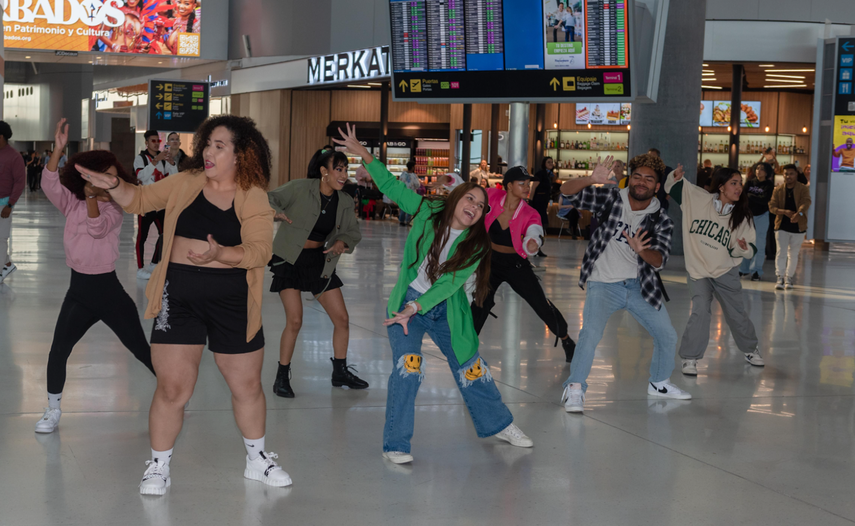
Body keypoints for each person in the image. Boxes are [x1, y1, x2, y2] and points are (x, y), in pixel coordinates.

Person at [80, 115, 291, 495]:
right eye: (208, 144)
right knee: (173, 387)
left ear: (241, 155)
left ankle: (257, 459)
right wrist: (115, 185)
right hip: (179, 297)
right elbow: (141, 200)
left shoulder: (253, 195)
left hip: (233, 301)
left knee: (246, 386)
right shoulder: (187, 182)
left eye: (219, 146)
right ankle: (159, 465)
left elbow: (261, 251)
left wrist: (221, 253)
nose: (208, 152)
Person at [335, 123, 533, 463]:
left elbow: (448, 284)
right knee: (408, 367)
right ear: (457, 198)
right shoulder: (428, 211)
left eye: (481, 205)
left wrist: (418, 306)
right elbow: (391, 188)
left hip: (444, 308)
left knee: (472, 367)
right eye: (469, 197)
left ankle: (500, 423)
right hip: (406, 302)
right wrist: (365, 155)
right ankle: (396, 443)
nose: (474, 205)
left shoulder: (475, 247)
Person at [35, 119, 155, 434]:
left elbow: (97, 228)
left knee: (141, 349)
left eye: (114, 179)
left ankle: (175, 394)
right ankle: (52, 409)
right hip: (78, 291)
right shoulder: (71, 202)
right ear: (89, 175)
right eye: (105, 177)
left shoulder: (116, 210)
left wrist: (92, 198)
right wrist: (58, 150)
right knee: (58, 349)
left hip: (108, 292)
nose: (110, 183)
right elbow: (49, 184)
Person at [558, 154, 690, 413]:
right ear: (630, 179)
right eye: (637, 176)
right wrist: (589, 179)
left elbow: (659, 260)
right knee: (590, 334)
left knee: (667, 334)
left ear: (656, 186)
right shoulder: (610, 198)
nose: (641, 182)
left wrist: (641, 250)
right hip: (604, 283)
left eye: (649, 179)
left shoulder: (661, 219)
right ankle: (575, 388)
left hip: (641, 286)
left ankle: (659, 383)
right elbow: (566, 193)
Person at [266, 148, 367, 398]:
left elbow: (352, 232)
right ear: (324, 172)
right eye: (339, 169)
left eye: (346, 169)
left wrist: (342, 243)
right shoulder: (300, 188)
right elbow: (269, 198)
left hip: (320, 261)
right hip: (289, 259)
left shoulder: (343, 201)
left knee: (341, 319)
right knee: (295, 320)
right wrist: (274, 211)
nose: (344, 175)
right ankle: (281, 376)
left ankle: (340, 371)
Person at [470, 166, 577, 362]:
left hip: (516, 265)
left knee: (540, 304)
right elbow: (467, 195)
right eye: (523, 183)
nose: (528, 187)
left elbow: (534, 231)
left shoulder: (530, 212)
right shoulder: (491, 195)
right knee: (480, 301)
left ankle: (566, 339)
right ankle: (467, 347)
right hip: (491, 261)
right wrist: (450, 182)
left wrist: (532, 243)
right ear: (509, 186)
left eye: (529, 183)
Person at [665, 165, 764, 375]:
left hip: (725, 271)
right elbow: (673, 188)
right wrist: (673, 177)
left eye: (740, 184)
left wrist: (742, 248)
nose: (739, 188)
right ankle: (690, 357)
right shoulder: (699, 199)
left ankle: (750, 348)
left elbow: (751, 249)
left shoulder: (743, 216)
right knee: (700, 310)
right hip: (698, 270)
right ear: (721, 187)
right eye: (734, 183)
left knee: (736, 315)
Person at [134, 130, 179, 280]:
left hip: (161, 204)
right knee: (142, 237)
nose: (155, 143)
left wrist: (172, 163)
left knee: (166, 233)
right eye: (152, 141)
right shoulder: (140, 159)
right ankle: (140, 268)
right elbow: (141, 176)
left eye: (157, 141)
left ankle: (154, 262)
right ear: (146, 143)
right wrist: (154, 162)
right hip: (146, 204)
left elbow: (173, 179)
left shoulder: (164, 159)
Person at [769, 164, 811, 290]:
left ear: (796, 174)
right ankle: (780, 277)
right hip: (781, 225)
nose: (788, 176)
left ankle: (789, 277)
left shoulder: (802, 188)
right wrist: (784, 212)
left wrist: (800, 213)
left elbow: (806, 202)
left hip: (798, 225)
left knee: (793, 253)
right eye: (786, 174)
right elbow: (771, 206)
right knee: (781, 252)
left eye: (791, 174)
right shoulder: (778, 189)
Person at [0, 121, 26, 285]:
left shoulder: (14, 156)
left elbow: (19, 182)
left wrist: (10, 205)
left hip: (4, 203)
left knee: (1, 238)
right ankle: (7, 263)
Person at [739, 162, 774, 281]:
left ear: (767, 172)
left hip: (762, 216)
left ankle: (756, 271)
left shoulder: (769, 185)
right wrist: (751, 197)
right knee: (744, 242)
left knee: (759, 243)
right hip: (747, 216)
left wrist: (751, 196)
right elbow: (742, 197)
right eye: (758, 168)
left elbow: (765, 200)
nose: (759, 171)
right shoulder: (750, 182)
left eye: (762, 169)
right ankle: (743, 269)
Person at [530, 157, 556, 256]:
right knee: (540, 224)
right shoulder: (540, 174)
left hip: (544, 202)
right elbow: (533, 188)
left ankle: (538, 247)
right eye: (548, 162)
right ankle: (536, 247)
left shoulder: (549, 175)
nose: (551, 163)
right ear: (544, 163)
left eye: (551, 162)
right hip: (538, 202)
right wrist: (531, 202)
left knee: (543, 225)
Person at [398, 160, 421, 225]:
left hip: (403, 193)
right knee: (410, 207)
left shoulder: (403, 174)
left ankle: (401, 220)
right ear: (412, 167)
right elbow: (417, 185)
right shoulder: (414, 176)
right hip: (412, 194)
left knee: (403, 206)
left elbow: (400, 182)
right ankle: (408, 220)